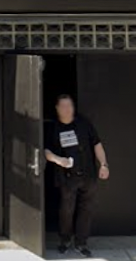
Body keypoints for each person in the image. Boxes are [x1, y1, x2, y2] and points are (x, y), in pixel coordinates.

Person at [44, 94, 108, 257]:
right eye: (63, 106)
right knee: (66, 210)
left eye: (70, 106)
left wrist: (104, 164)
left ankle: (81, 242)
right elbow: (46, 152)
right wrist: (60, 160)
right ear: (57, 108)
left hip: (88, 175)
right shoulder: (53, 127)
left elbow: (97, 144)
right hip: (67, 177)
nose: (67, 109)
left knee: (86, 209)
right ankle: (65, 240)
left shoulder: (84, 123)